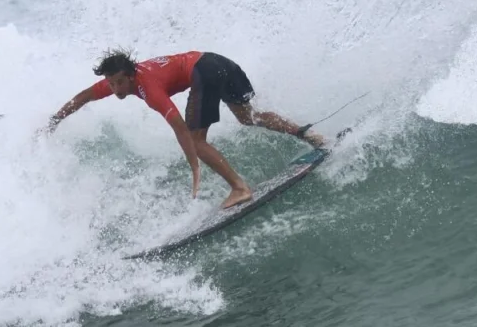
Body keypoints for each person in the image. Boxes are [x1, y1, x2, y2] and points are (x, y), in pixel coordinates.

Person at [43, 48, 325, 209]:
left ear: (130, 77)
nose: (115, 88)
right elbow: (83, 97)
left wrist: (194, 167)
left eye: (118, 82)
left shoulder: (147, 87)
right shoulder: (121, 80)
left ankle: (240, 188)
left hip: (205, 70)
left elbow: (178, 125)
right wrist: (56, 119)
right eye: (111, 83)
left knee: (196, 140)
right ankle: (310, 135)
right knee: (249, 116)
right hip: (219, 61)